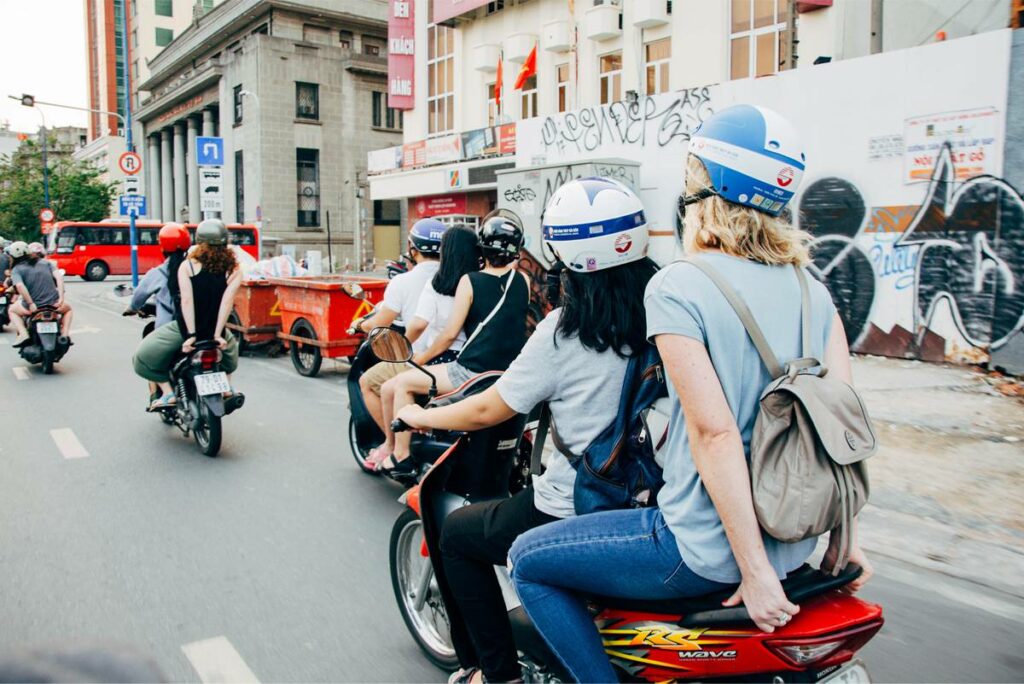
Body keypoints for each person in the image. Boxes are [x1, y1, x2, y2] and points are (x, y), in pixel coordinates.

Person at [506, 105, 875, 683]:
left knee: (529, 558)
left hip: (698, 547)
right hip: (796, 543)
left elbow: (714, 433)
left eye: (691, 175)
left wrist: (752, 572)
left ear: (710, 189)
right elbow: (841, 429)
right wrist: (843, 541)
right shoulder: (814, 291)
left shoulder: (681, 286)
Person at [395, 178, 657, 684]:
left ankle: (497, 675)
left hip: (571, 503)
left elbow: (484, 411)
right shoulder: (667, 311)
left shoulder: (564, 328)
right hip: (652, 498)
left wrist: (419, 417)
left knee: (457, 535)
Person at [381, 209, 529, 476]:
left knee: (403, 383)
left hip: (470, 372)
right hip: (507, 372)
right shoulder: (523, 281)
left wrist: (417, 361)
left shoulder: (469, 281)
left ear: (482, 248)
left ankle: (400, 455)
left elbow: (449, 334)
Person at [369, 224, 482, 467]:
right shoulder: (478, 282)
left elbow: (422, 326)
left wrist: (405, 350)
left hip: (443, 359)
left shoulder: (439, 283)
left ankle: (398, 453)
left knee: (392, 388)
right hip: (474, 357)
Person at [132, 219, 241, 410]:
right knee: (229, 357)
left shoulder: (188, 266)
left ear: (198, 241)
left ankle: (168, 394)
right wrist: (217, 335)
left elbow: (187, 302)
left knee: (141, 357)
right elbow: (226, 303)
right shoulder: (235, 269)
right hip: (216, 331)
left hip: (183, 330)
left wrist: (191, 336)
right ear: (225, 242)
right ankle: (226, 388)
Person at [353, 217, 445, 435]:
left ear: (412, 249)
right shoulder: (456, 278)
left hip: (418, 357)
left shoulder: (402, 282)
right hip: (449, 356)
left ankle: (392, 443)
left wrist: (360, 324)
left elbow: (380, 323)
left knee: (366, 381)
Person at [125, 223, 191, 404]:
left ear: (162, 247)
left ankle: (161, 394)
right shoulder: (195, 269)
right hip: (201, 327)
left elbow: (138, 297)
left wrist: (131, 308)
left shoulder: (158, 273)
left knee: (147, 358)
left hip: (169, 329)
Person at [9, 241, 73, 346]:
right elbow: (59, 277)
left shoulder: (16, 269)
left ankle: (23, 334)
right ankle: (65, 335)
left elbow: (20, 286)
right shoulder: (46, 263)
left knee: (12, 310)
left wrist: (30, 303)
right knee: (68, 309)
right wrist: (61, 298)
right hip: (54, 305)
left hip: (32, 308)